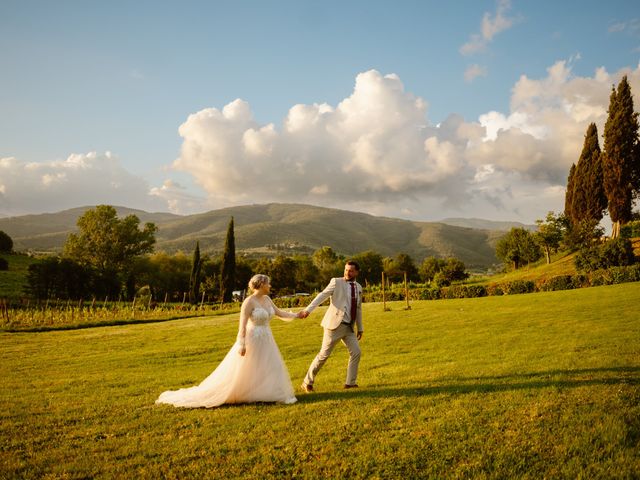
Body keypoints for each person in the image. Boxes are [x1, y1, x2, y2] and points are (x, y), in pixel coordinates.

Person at [156, 274, 303, 408]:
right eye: (268, 284)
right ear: (262, 284)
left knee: (269, 366)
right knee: (246, 369)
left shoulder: (267, 299)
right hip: (253, 339)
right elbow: (242, 325)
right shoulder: (248, 302)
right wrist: (242, 344)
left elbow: (279, 313)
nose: (270, 286)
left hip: (267, 339)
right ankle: (242, 392)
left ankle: (267, 393)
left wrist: (297, 315)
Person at [299, 261, 363, 392]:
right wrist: (308, 310)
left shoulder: (359, 287)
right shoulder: (336, 282)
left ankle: (350, 383)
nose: (347, 273)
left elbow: (358, 308)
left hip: (349, 328)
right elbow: (321, 295)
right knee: (324, 355)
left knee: (356, 352)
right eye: (346, 270)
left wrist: (360, 327)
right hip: (333, 326)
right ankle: (307, 382)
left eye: (350, 270)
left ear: (356, 272)